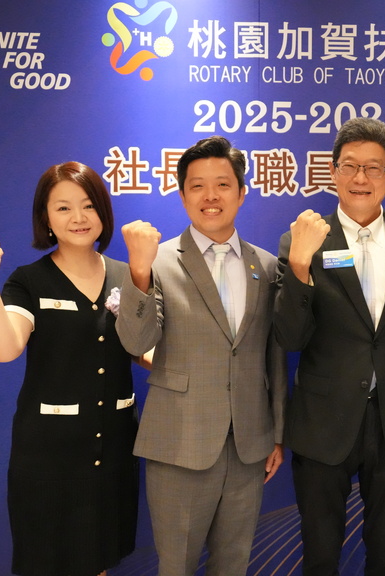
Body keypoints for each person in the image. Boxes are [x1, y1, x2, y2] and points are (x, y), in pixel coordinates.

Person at [274, 117, 385, 575]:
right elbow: (289, 337)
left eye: (373, 167)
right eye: (349, 166)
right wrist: (299, 265)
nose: (360, 178)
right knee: (320, 556)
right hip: (323, 422)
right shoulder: (302, 239)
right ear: (333, 172)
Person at [115, 135, 287, 576]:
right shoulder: (156, 261)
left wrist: (276, 431)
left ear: (241, 193)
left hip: (248, 444)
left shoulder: (267, 266)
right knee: (176, 565)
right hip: (180, 442)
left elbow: (273, 356)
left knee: (234, 564)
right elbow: (135, 341)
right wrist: (138, 272)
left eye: (223, 184)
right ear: (182, 194)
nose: (211, 196)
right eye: (198, 186)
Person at [0, 161, 139, 576]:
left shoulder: (128, 276)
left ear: (103, 211)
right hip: (50, 456)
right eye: (63, 208)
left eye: (88, 205)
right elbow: (4, 348)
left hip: (114, 449)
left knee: (99, 559)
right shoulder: (29, 281)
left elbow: (146, 348)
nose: (78, 217)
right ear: (45, 217)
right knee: (49, 560)